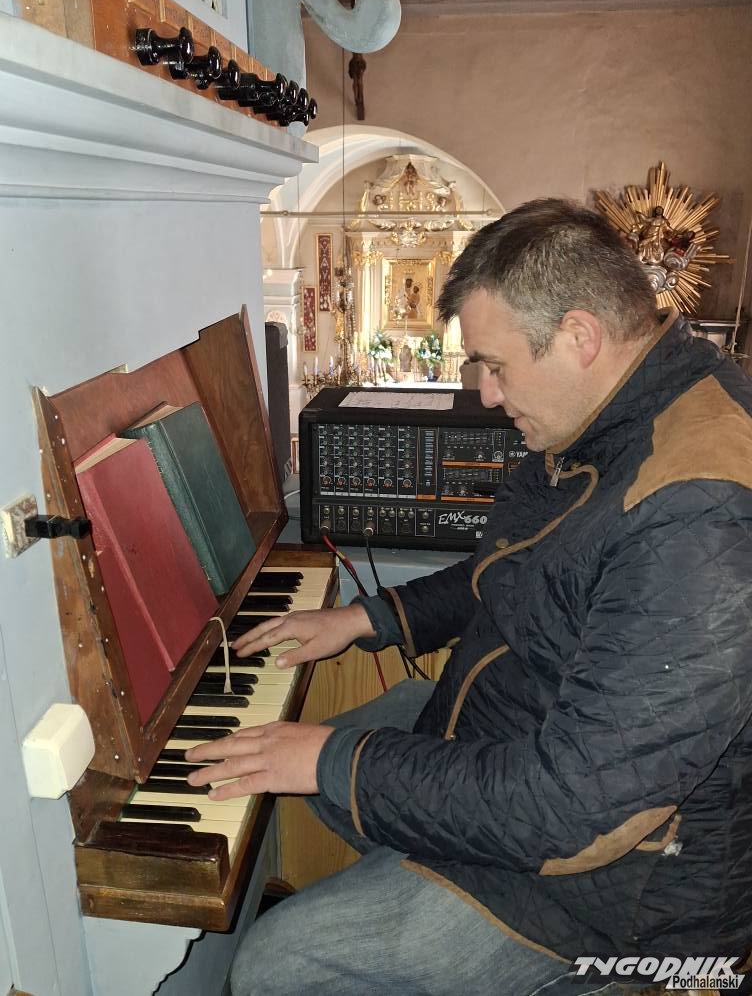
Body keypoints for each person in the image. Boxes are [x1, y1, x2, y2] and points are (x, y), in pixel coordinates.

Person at [186, 199, 752, 996]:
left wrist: (328, 761)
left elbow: (572, 809)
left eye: (495, 364)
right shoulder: (609, 410)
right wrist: (367, 618)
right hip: (520, 736)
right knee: (321, 760)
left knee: (277, 963)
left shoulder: (699, 514)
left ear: (580, 337)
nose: (484, 393)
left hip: (612, 894)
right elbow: (516, 572)